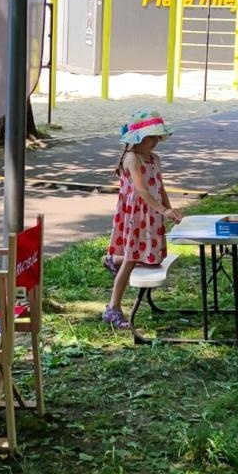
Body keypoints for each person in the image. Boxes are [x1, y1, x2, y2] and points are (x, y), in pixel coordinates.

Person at [102, 110, 182, 329]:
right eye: (151, 137)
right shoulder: (132, 159)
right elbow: (142, 191)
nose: (156, 142)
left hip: (152, 214)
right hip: (137, 216)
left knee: (152, 259)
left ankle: (112, 260)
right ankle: (113, 308)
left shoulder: (154, 159)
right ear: (137, 138)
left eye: (158, 137)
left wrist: (169, 208)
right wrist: (162, 210)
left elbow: (160, 187)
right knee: (132, 258)